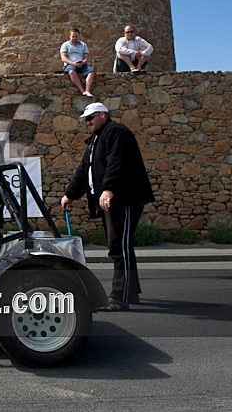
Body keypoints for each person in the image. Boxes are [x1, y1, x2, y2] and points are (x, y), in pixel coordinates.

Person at [60, 102, 155, 311]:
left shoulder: (116, 133)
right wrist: (70, 194)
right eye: (86, 120)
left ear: (103, 115)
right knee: (121, 245)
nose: (88, 123)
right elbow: (84, 170)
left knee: (119, 246)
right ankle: (130, 291)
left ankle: (119, 298)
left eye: (90, 118)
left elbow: (117, 163)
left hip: (124, 199)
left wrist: (109, 189)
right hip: (111, 201)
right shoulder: (96, 139)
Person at [60, 27, 95, 97]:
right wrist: (73, 63)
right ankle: (82, 91)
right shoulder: (65, 45)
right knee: (71, 72)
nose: (74, 38)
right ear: (70, 36)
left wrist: (82, 63)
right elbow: (63, 58)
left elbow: (86, 57)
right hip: (70, 64)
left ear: (78, 36)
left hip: (81, 64)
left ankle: (87, 90)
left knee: (91, 72)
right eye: (73, 36)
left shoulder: (83, 45)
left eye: (76, 36)